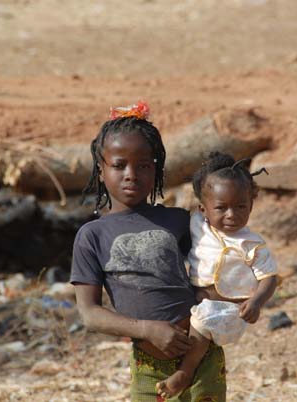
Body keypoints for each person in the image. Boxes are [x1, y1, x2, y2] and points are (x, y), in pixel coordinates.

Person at [70, 102, 227, 402]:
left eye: (143, 165)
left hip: (201, 357)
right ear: (100, 170)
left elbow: (216, 261)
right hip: (149, 366)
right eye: (119, 165)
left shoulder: (179, 220)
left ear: (156, 169)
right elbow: (89, 314)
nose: (131, 174)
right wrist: (146, 329)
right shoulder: (92, 236)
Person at [156, 151, 279, 399]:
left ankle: (185, 372)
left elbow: (269, 277)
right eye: (221, 208)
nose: (231, 215)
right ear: (203, 208)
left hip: (229, 311)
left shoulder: (252, 243)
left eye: (240, 206)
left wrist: (256, 302)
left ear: (251, 205)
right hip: (196, 301)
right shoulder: (196, 225)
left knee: (202, 324)